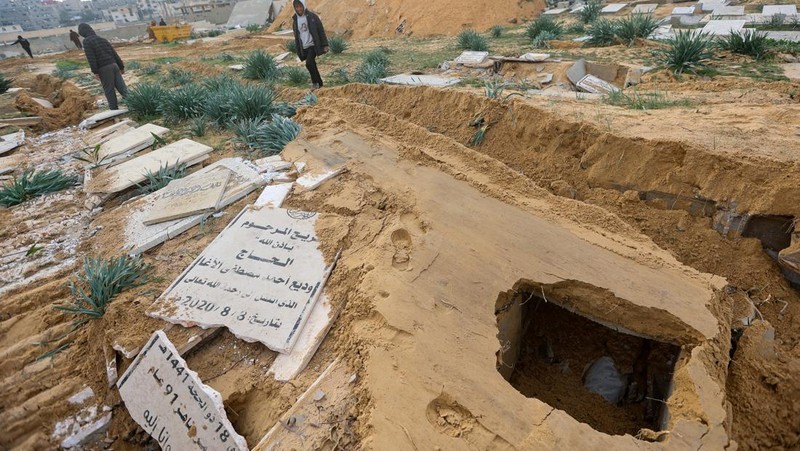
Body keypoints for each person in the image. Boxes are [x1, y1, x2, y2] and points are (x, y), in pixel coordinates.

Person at [78, 23, 128, 110]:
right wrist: (121, 66)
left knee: (109, 90)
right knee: (122, 88)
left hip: (104, 68)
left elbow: (91, 58)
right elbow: (114, 53)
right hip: (114, 65)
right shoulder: (102, 39)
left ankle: (114, 109)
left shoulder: (87, 41)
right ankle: (133, 103)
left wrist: (95, 72)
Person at [291, 0, 328, 90]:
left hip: (313, 45)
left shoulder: (312, 16)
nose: (299, 8)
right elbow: (297, 36)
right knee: (312, 64)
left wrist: (325, 44)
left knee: (309, 63)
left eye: (300, 6)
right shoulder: (295, 20)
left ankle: (315, 83)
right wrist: (298, 49)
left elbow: (320, 30)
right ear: (294, 8)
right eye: (297, 7)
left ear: (304, 6)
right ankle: (320, 83)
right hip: (304, 46)